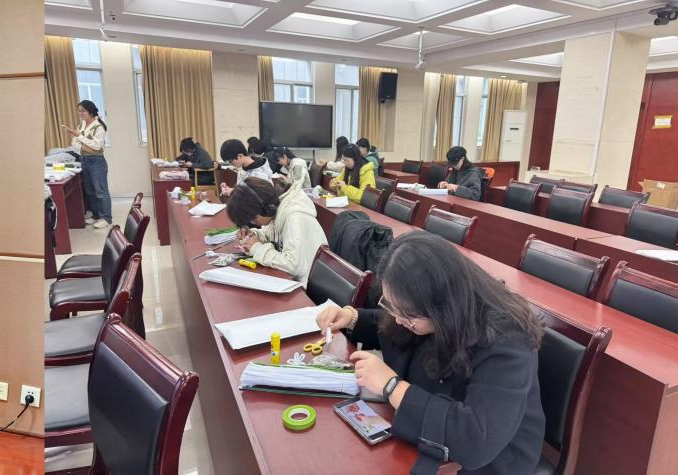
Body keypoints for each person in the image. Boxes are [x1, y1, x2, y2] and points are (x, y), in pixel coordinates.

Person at [315, 232, 545, 475]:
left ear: (442, 306)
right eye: (391, 306)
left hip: (489, 462)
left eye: (407, 314)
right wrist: (353, 318)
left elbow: (475, 441)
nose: (398, 319)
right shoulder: (431, 312)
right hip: (429, 431)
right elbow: (396, 325)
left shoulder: (508, 341)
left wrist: (392, 387)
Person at [227, 177, 328, 283]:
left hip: (309, 286)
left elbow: (294, 266)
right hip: (294, 280)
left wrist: (256, 248)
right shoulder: (276, 212)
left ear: (265, 209)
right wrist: (253, 236)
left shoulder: (294, 218)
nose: (253, 223)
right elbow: (270, 235)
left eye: (252, 218)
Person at [65, 100, 113, 229]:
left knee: (100, 191)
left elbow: (96, 147)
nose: (80, 113)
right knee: (90, 191)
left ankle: (106, 218)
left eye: (83, 111)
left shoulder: (99, 127)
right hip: (85, 160)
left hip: (97, 162)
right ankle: (96, 215)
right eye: (79, 111)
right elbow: (74, 143)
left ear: (90, 112)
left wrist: (80, 137)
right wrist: (85, 146)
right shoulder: (81, 125)